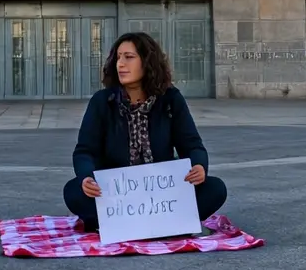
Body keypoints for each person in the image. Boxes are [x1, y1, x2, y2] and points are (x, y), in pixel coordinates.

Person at [63, 31, 227, 233]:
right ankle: (158, 225)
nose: (120, 64)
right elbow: (85, 151)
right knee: (73, 191)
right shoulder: (102, 101)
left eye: (129, 57)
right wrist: (87, 178)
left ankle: (134, 227)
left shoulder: (171, 99)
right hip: (117, 195)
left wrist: (199, 166)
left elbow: (192, 144)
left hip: (162, 193)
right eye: (118, 57)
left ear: (147, 62)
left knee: (215, 188)